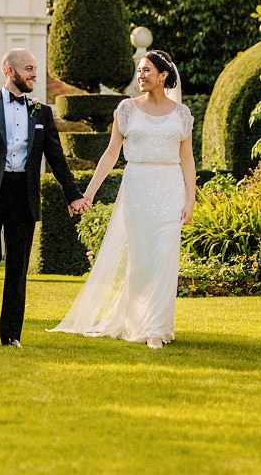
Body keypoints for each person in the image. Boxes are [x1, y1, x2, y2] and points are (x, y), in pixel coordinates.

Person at [49, 50, 195, 349]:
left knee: (165, 258)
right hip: (137, 188)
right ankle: (134, 322)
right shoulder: (126, 110)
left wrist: (190, 199)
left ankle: (156, 328)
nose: (140, 76)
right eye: (138, 71)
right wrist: (88, 192)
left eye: (146, 70)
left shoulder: (182, 115)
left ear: (163, 75)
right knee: (142, 261)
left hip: (170, 189)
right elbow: (111, 154)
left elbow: (188, 161)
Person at [0, 48, 88, 348]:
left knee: (18, 266)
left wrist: (73, 195)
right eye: (28, 68)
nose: (34, 74)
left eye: (34, 69)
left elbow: (56, 157)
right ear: (10, 71)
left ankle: (11, 334)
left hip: (24, 195)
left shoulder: (41, 112)